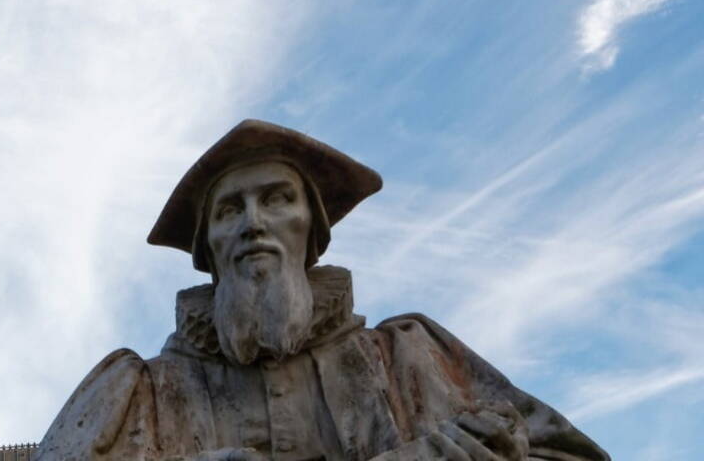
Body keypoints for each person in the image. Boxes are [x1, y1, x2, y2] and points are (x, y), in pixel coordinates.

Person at [33, 120, 607, 460]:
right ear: (207, 247)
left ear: (312, 230)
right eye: (230, 209)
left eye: (277, 199)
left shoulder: (407, 359)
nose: (253, 222)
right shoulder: (143, 394)